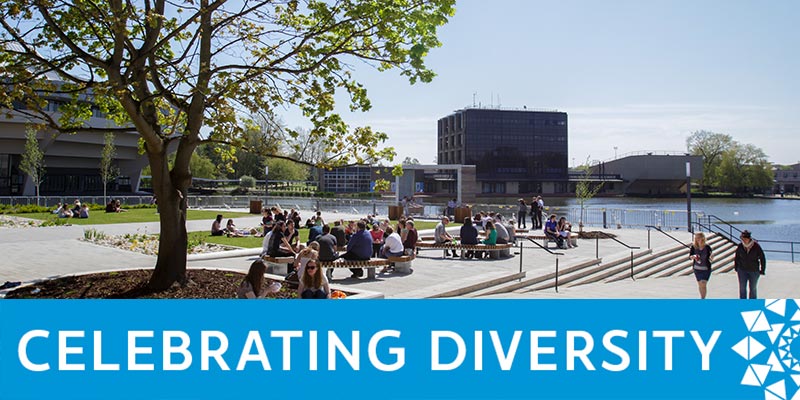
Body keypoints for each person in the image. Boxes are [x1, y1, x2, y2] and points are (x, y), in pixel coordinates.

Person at [734, 230, 766, 299]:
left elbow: (762, 258)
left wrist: (762, 269)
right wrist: (736, 267)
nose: (744, 240)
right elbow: (737, 257)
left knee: (753, 289)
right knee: (742, 288)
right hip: (742, 270)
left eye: (745, 238)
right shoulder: (740, 246)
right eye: (742, 239)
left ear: (748, 238)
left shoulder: (756, 246)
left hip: (754, 270)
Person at [689, 232, 713, 299]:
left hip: (706, 269)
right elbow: (690, 256)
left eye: (699, 237)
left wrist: (711, 257)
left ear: (703, 238)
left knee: (703, 284)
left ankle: (703, 298)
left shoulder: (707, 247)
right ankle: (702, 297)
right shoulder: (693, 247)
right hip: (697, 269)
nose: (697, 239)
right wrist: (693, 256)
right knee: (700, 285)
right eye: (696, 238)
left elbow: (711, 255)